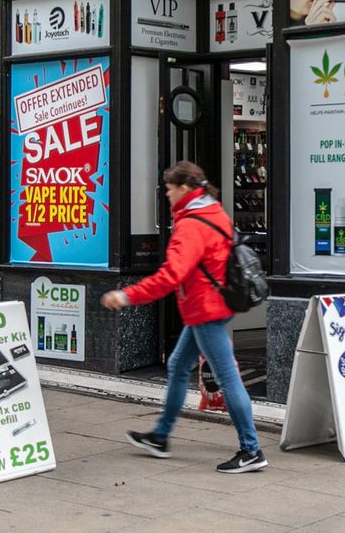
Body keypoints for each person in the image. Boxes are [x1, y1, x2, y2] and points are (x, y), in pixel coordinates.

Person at [101, 161, 267, 473]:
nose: (166, 193)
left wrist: (126, 295)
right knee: (177, 365)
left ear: (185, 189)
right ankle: (161, 437)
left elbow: (170, 276)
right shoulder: (213, 211)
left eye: (169, 188)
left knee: (228, 377)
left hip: (206, 309)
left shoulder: (191, 225)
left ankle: (251, 449)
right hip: (213, 303)